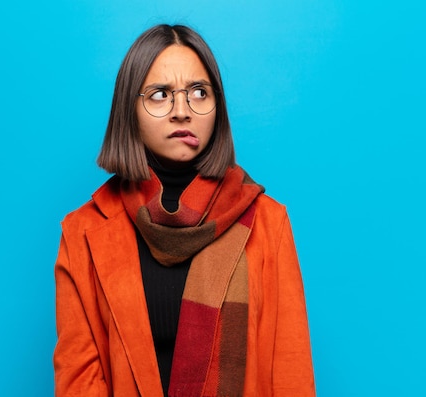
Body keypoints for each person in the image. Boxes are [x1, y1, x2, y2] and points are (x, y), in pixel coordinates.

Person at [53, 24, 315, 397]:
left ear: (217, 106)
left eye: (198, 92)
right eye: (160, 94)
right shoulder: (83, 231)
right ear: (130, 108)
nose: (182, 111)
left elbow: (292, 376)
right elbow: (78, 382)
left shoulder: (268, 222)